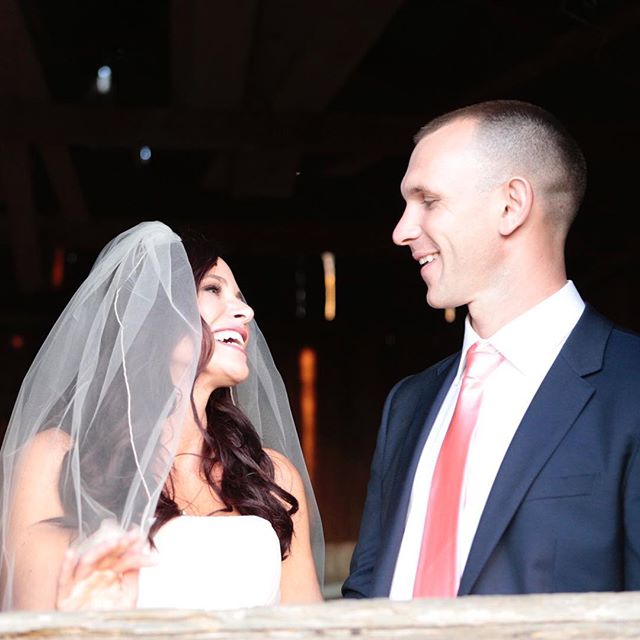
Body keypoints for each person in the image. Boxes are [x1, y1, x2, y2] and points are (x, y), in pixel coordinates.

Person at [343, 99, 640, 599]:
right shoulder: (409, 402)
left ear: (511, 205)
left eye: (428, 201)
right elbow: (367, 588)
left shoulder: (630, 386)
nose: (401, 231)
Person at [0, 221, 324, 610]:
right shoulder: (57, 461)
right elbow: (29, 619)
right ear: (155, 312)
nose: (246, 311)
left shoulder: (271, 476)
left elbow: (310, 625)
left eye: (239, 296)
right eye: (213, 290)